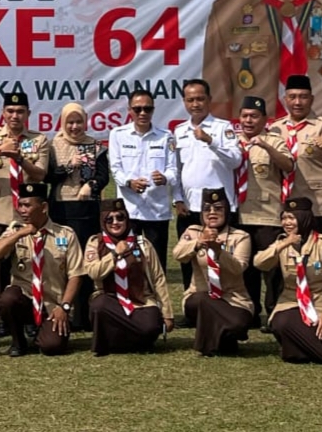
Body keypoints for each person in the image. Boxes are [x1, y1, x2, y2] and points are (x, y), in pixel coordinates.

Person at [0, 91, 48, 334]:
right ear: (3, 113)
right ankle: (2, 319)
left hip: (29, 216)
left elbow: (41, 173)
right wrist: (0, 151)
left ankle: (31, 315)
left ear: (28, 114)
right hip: (0, 214)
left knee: (32, 266)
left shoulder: (38, 139)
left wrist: (20, 159)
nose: (15, 116)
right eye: (11, 111)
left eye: (20, 111)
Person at [0, 183, 82, 356]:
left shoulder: (65, 234)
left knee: (52, 346)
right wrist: (19, 234)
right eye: (20, 205)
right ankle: (18, 342)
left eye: (27, 205)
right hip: (25, 298)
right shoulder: (15, 231)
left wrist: (64, 306)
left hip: (53, 304)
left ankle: (42, 333)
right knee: (7, 299)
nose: (22, 210)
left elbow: (75, 275)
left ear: (44, 207)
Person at [254, 198, 322, 364]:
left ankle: (302, 350)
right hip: (292, 304)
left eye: (292, 218)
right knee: (281, 323)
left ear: (304, 218)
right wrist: (283, 244)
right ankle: (300, 350)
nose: (287, 223)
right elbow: (259, 263)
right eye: (284, 218)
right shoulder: (282, 243)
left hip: (321, 303)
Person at [173, 79, 243, 290]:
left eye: (200, 99)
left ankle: (224, 300)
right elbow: (176, 169)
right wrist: (177, 199)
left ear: (209, 99)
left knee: (222, 259)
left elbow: (235, 160)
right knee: (189, 259)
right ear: (184, 102)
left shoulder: (223, 128)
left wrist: (211, 141)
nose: (195, 104)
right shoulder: (179, 130)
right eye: (190, 100)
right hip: (190, 207)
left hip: (219, 208)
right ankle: (192, 300)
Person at [233, 96, 294, 332]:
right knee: (244, 268)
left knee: (271, 268)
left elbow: (288, 166)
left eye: (254, 116)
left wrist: (266, 146)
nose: (249, 121)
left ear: (264, 119)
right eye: (245, 116)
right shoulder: (232, 141)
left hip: (268, 214)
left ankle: (274, 314)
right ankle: (250, 312)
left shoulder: (274, 141)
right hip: (239, 214)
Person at [46, 101, 109, 329]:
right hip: (61, 210)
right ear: (63, 122)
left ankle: (85, 315)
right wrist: (68, 167)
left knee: (85, 261)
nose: (74, 127)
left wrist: (91, 185)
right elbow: (47, 176)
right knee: (63, 260)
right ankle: (64, 311)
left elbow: (104, 176)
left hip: (87, 212)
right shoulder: (53, 145)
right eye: (70, 122)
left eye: (78, 122)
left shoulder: (95, 146)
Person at [84, 198, 174, 356]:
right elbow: (93, 272)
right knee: (99, 306)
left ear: (127, 219)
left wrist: (167, 314)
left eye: (120, 217)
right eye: (109, 219)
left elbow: (158, 278)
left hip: (141, 300)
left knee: (151, 327)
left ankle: (124, 338)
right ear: (102, 221)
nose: (115, 222)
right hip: (111, 301)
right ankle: (120, 340)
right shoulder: (95, 243)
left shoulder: (142, 244)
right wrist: (114, 254)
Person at [173, 190, 254, 356]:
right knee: (203, 302)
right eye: (207, 209)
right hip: (199, 296)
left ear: (227, 211)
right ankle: (212, 344)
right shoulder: (193, 232)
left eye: (218, 208)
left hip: (233, 299)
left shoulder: (240, 237)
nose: (212, 213)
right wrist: (198, 242)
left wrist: (219, 252)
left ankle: (223, 339)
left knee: (237, 323)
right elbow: (178, 255)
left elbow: (238, 268)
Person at [269, 75, 322, 235]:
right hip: (286, 201)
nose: (298, 102)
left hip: (317, 203)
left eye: (303, 97)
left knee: (318, 247)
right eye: (292, 97)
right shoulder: (276, 128)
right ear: (285, 99)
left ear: (312, 99)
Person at [108, 90, 179, 265]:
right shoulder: (117, 134)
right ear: (129, 110)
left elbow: (173, 171)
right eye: (137, 109)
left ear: (153, 110)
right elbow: (115, 169)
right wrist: (129, 182)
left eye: (147, 109)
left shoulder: (166, 136)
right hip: (128, 209)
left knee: (157, 262)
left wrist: (164, 178)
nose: (142, 113)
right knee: (128, 262)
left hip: (156, 211)